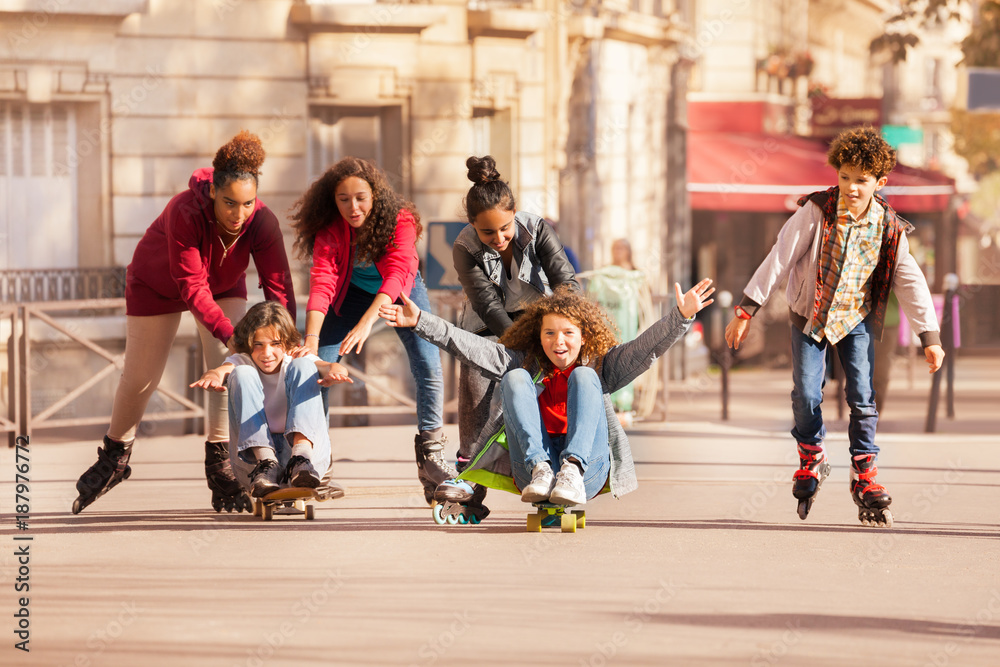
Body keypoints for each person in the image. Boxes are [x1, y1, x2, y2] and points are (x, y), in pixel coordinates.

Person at [724, 126, 945, 528]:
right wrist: (745, 310)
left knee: (862, 396)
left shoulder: (889, 228)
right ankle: (812, 455)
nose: (851, 187)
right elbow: (780, 256)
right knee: (807, 393)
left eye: (861, 180)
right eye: (845, 177)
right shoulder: (818, 211)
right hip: (809, 318)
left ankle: (864, 473)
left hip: (855, 321)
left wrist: (929, 337)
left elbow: (910, 281)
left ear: (880, 182)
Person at [72, 130, 296, 515]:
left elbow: (279, 286)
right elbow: (192, 287)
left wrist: (287, 339)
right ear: (212, 193)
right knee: (142, 377)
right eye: (229, 203)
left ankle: (220, 463)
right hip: (156, 285)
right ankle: (115, 455)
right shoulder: (185, 211)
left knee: (230, 369)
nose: (237, 214)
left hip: (224, 285)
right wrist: (236, 336)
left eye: (246, 204)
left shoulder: (262, 222)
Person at [380, 280, 715, 515]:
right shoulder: (524, 361)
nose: (560, 343)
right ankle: (541, 467)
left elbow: (646, 349)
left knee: (586, 377)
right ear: (538, 336)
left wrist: (681, 317)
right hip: (532, 473)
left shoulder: (601, 365)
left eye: (569, 333)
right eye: (550, 333)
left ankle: (571, 467)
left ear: (584, 337)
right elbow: (469, 346)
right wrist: (420, 321)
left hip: (588, 473)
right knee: (513, 378)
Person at [290, 157, 452, 503]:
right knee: (315, 366)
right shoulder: (331, 227)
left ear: (375, 194)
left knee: (427, 361)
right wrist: (311, 341)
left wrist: (368, 322)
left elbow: (396, 273)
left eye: (361, 197)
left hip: (403, 289)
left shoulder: (400, 219)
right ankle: (315, 460)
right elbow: (323, 282)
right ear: (333, 200)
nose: (353, 207)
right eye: (343, 199)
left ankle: (432, 455)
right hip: (351, 294)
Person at [443, 155, 580, 513]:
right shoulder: (463, 246)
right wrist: (516, 345)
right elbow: (487, 305)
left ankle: (554, 466)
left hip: (541, 322)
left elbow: (566, 282)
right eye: (487, 232)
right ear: (472, 224)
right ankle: (470, 479)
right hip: (488, 325)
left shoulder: (539, 230)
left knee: (539, 385)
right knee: (475, 381)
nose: (499, 238)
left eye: (505, 228)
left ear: (515, 213)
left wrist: (558, 332)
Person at [190, 301, 351, 498]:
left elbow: (329, 366)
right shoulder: (243, 360)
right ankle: (266, 462)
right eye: (258, 345)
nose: (267, 354)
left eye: (275, 344)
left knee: (304, 367)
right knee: (241, 373)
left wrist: (336, 371)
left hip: (309, 460)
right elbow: (222, 370)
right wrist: (213, 375)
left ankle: (301, 458)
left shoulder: (296, 358)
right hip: (254, 465)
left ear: (287, 343)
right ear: (248, 344)